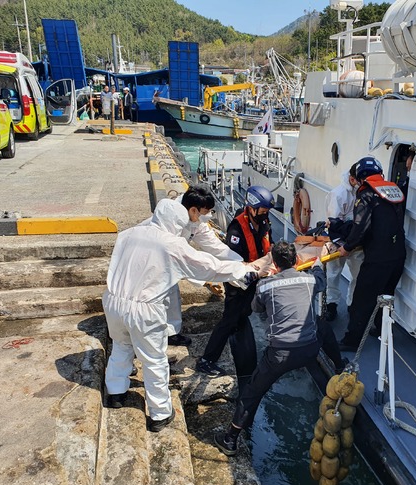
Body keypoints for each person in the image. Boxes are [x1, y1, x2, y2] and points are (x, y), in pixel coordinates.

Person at [103, 199, 256, 432]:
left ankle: (115, 393)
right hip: (144, 308)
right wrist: (243, 269)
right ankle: (160, 414)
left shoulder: (128, 234)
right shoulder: (170, 243)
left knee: (121, 346)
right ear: (175, 222)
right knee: (154, 361)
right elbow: (207, 265)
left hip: (113, 300)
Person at [214, 241, 326, 456]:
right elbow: (320, 278)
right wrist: (319, 262)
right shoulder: (310, 280)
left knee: (252, 393)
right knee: (322, 326)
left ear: (274, 262)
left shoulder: (266, 285)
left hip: (281, 355)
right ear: (296, 261)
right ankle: (338, 367)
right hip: (310, 349)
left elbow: (256, 309)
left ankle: (230, 439)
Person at [145, 187, 244, 347]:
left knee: (172, 294)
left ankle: (171, 333)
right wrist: (209, 277)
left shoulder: (196, 221)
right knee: (151, 302)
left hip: (168, 264)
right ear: (193, 210)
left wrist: (241, 262)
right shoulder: (170, 221)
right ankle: (146, 341)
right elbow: (183, 260)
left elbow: (215, 246)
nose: (209, 216)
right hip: (151, 262)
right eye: (206, 212)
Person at [197, 185, 275, 380]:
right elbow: (232, 259)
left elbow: (268, 246)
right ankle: (207, 359)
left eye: (266, 212)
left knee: (244, 311)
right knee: (229, 319)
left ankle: (241, 322)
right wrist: (251, 270)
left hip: (255, 276)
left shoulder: (264, 221)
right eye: (263, 211)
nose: (265, 215)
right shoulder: (237, 228)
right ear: (252, 208)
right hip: (238, 280)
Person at [338, 156, 406, 351]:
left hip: (378, 258)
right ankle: (382, 330)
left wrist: (347, 247)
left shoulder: (367, 194)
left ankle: (352, 341)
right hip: (398, 255)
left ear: (361, 178)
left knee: (362, 298)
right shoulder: (392, 190)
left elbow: (361, 226)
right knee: (386, 295)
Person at [324, 163, 365, 321]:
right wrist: (341, 244)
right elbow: (333, 220)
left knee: (357, 274)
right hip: (339, 240)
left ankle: (352, 304)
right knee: (333, 273)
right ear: (352, 178)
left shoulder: (361, 192)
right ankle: (331, 304)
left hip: (356, 241)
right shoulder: (339, 194)